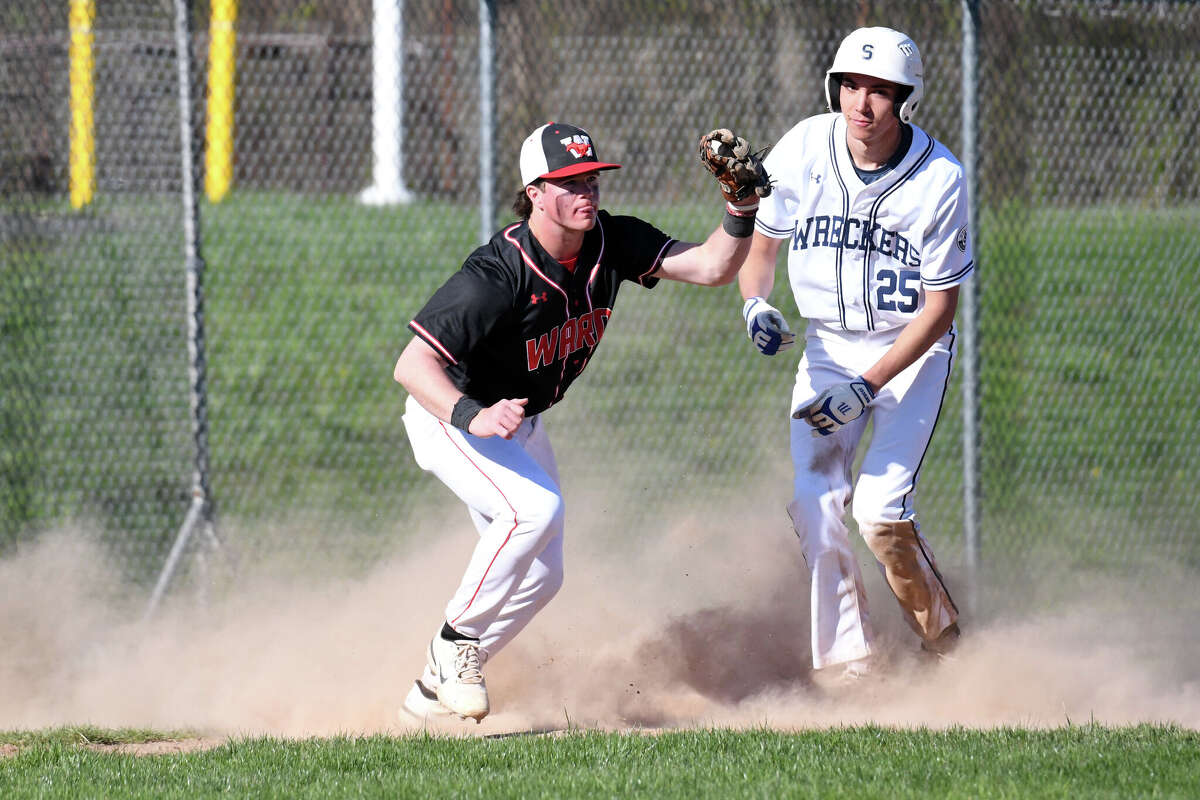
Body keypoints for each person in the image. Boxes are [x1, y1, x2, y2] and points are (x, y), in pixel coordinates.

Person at [393, 121, 769, 721]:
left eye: (590, 178)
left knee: (546, 576)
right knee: (534, 511)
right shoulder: (497, 274)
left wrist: (741, 205)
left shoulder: (609, 242)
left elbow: (710, 268)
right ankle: (454, 645)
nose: (585, 191)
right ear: (535, 192)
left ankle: (430, 691)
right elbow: (412, 366)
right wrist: (473, 414)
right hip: (451, 416)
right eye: (568, 183)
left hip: (517, 423)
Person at [737, 27, 972, 683]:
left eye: (881, 91)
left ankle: (945, 643)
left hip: (909, 355)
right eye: (852, 86)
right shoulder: (805, 147)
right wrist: (756, 305)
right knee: (816, 503)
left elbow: (939, 310)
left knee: (879, 513)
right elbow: (761, 251)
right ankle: (850, 665)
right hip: (827, 351)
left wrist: (866, 386)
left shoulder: (939, 178)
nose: (862, 104)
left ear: (907, 100)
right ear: (835, 87)